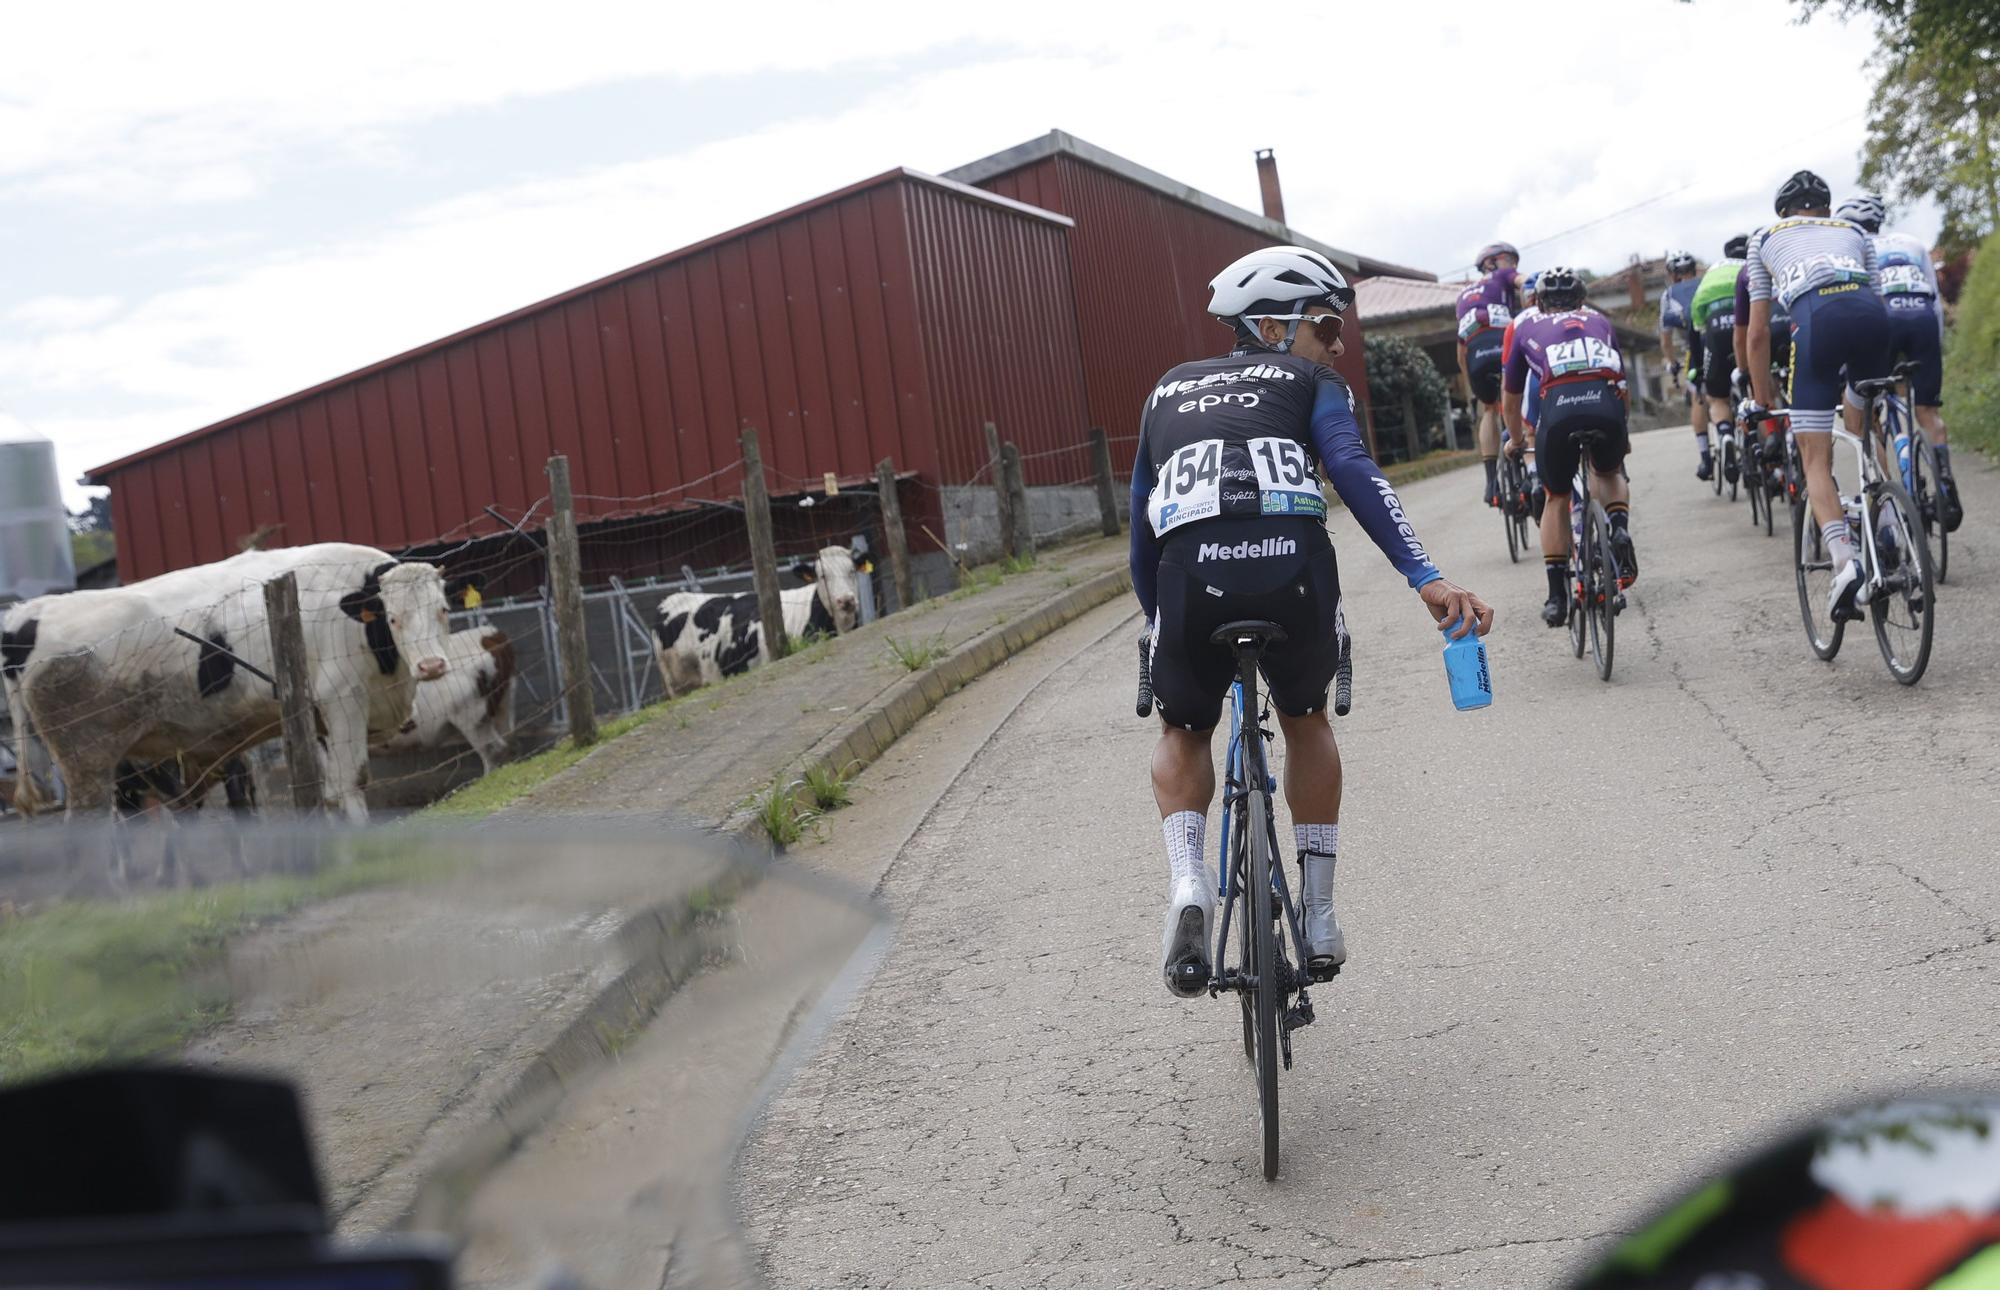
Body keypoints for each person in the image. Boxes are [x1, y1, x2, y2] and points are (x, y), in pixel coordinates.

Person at [1132, 245, 1493, 994]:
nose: (1336, 346)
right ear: (1268, 325)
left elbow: (1141, 532)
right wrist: (1423, 575)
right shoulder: (1313, 383)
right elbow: (1353, 470)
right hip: (1291, 577)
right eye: (1326, 327)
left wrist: (1156, 620)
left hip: (1186, 585)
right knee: (1305, 718)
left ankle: (1187, 882)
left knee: (1184, 728)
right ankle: (1320, 914)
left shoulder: (1166, 391)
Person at [1740, 170, 1890, 620]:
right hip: (1871, 319)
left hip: (1817, 319)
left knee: (1815, 459)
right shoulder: (1854, 230)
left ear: (1783, 212)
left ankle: (1844, 560)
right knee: (1866, 428)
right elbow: (1878, 302)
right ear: (1826, 209)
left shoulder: (1763, 236)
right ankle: (1892, 526)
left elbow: (1759, 331)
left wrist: (1763, 395)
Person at [1499, 265, 1637, 626]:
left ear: (1539, 302)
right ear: (1582, 299)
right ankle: (1619, 527)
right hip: (1606, 407)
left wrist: (1515, 440)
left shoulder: (1526, 325)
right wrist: (1623, 432)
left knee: (1557, 497)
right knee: (1607, 470)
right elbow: (1622, 383)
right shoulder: (1601, 321)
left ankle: (1557, 596)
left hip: (1558, 413)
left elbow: (1511, 399)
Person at [1838, 192, 1963, 530]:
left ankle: (1888, 501)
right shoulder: (1912, 242)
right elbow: (1935, 301)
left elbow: (1854, 307)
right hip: (1921, 317)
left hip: (1882, 319)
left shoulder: (1854, 250)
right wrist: (1933, 346)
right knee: (1928, 413)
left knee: (1864, 411)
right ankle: (1946, 485)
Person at [1456, 242, 1522, 508]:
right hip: (1502, 341)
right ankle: (1526, 470)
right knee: (1515, 398)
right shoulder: (1502, 276)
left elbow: (1460, 352)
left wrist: (1472, 388)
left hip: (1474, 354)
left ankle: (1491, 483)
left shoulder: (1463, 295)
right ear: (1496, 261)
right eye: (1512, 261)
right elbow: (1529, 284)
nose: (1514, 267)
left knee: (1489, 410)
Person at [1688, 237, 1749, 484]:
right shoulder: (1749, 268)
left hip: (1713, 327)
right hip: (1743, 322)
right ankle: (1767, 446)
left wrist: (1699, 368)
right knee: (1757, 385)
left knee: (1718, 397)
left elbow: (1696, 330)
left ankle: (1724, 433)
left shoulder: (1712, 272)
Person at [1657, 252, 1708, 476]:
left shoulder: (1669, 295)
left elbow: (1666, 339)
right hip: (1724, 340)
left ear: (1672, 275)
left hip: (1695, 349)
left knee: (1698, 395)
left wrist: (1670, 361)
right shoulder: (1708, 281)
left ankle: (1706, 457)